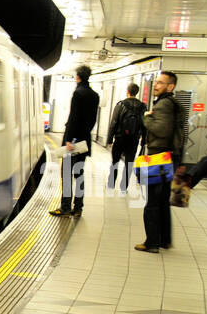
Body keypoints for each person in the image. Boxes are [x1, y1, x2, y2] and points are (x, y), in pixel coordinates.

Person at [135, 71, 185, 253]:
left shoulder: (163, 105)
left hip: (159, 158)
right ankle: (164, 240)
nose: (156, 85)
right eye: (156, 82)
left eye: (161, 83)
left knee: (153, 203)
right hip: (170, 157)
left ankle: (152, 243)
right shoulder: (174, 104)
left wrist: (147, 117)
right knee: (163, 201)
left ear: (170, 87)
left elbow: (160, 130)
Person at [51, 64, 99, 217]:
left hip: (73, 142)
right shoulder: (94, 95)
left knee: (66, 173)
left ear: (77, 77)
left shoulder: (78, 93)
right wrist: (84, 135)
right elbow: (92, 120)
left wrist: (69, 139)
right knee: (79, 174)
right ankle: (78, 208)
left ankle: (65, 208)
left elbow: (74, 118)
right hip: (84, 141)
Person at [106, 82, 144, 193]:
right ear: (137, 93)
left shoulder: (120, 105)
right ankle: (124, 187)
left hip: (120, 138)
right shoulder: (142, 107)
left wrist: (109, 139)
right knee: (129, 164)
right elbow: (144, 124)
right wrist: (143, 139)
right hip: (134, 139)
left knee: (115, 161)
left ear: (127, 92)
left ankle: (111, 184)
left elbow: (114, 122)